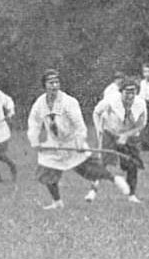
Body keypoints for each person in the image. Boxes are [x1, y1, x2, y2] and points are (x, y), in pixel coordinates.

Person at [27, 69, 129, 209]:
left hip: (72, 142)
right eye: (51, 83)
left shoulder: (68, 102)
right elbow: (34, 123)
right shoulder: (40, 104)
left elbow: (79, 125)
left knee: (89, 169)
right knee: (46, 170)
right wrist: (35, 141)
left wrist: (80, 142)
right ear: (44, 85)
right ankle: (57, 202)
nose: (54, 86)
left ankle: (116, 179)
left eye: (57, 82)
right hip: (54, 144)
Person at [92, 77, 147, 203]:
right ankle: (93, 190)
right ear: (121, 92)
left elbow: (141, 124)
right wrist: (98, 130)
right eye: (127, 92)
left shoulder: (140, 104)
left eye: (133, 92)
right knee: (103, 162)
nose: (130, 95)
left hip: (129, 134)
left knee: (132, 164)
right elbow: (96, 112)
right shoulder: (111, 101)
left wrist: (126, 136)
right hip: (110, 132)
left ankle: (132, 195)